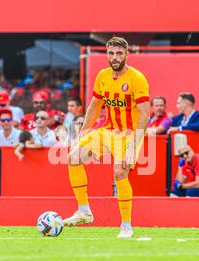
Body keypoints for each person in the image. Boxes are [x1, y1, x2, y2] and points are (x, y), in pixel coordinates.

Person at [63, 37, 150, 238]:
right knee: (73, 157)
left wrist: (133, 146)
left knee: (119, 172)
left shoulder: (137, 79)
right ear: (107, 54)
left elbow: (145, 114)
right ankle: (84, 211)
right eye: (111, 53)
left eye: (119, 53)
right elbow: (95, 106)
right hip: (109, 130)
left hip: (130, 134)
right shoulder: (102, 76)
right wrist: (83, 132)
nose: (115, 57)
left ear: (126, 54)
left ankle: (126, 226)